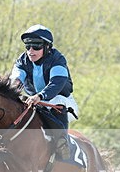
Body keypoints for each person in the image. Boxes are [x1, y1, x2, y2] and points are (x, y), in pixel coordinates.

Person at [11, 24, 78, 160]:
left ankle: (62, 142)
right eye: (28, 46)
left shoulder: (57, 59)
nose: (31, 51)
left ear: (47, 47)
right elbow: (16, 81)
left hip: (62, 101)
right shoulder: (22, 61)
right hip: (35, 101)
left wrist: (40, 96)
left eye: (36, 46)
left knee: (53, 100)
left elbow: (56, 83)